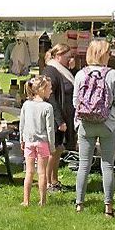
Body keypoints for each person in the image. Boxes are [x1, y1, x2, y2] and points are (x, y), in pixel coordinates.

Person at [72, 39, 115, 217]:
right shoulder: (113, 75)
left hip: (85, 124)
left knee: (83, 165)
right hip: (107, 124)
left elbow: (75, 101)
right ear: (103, 54)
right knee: (107, 165)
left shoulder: (80, 74)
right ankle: (108, 207)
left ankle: (79, 204)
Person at [43, 43, 76, 192]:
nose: (70, 59)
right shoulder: (51, 70)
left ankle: (54, 180)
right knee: (53, 151)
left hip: (63, 115)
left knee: (58, 149)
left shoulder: (62, 70)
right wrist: (59, 120)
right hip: (55, 118)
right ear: (58, 56)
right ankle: (49, 182)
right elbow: (50, 97)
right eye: (68, 57)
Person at [19, 75, 55, 207]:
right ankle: (42, 201)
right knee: (42, 173)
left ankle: (26, 200)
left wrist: (21, 139)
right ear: (42, 89)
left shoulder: (26, 105)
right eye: (49, 88)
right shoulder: (47, 107)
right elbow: (50, 129)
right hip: (42, 143)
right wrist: (51, 146)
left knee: (29, 172)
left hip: (28, 142)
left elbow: (22, 124)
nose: (51, 91)